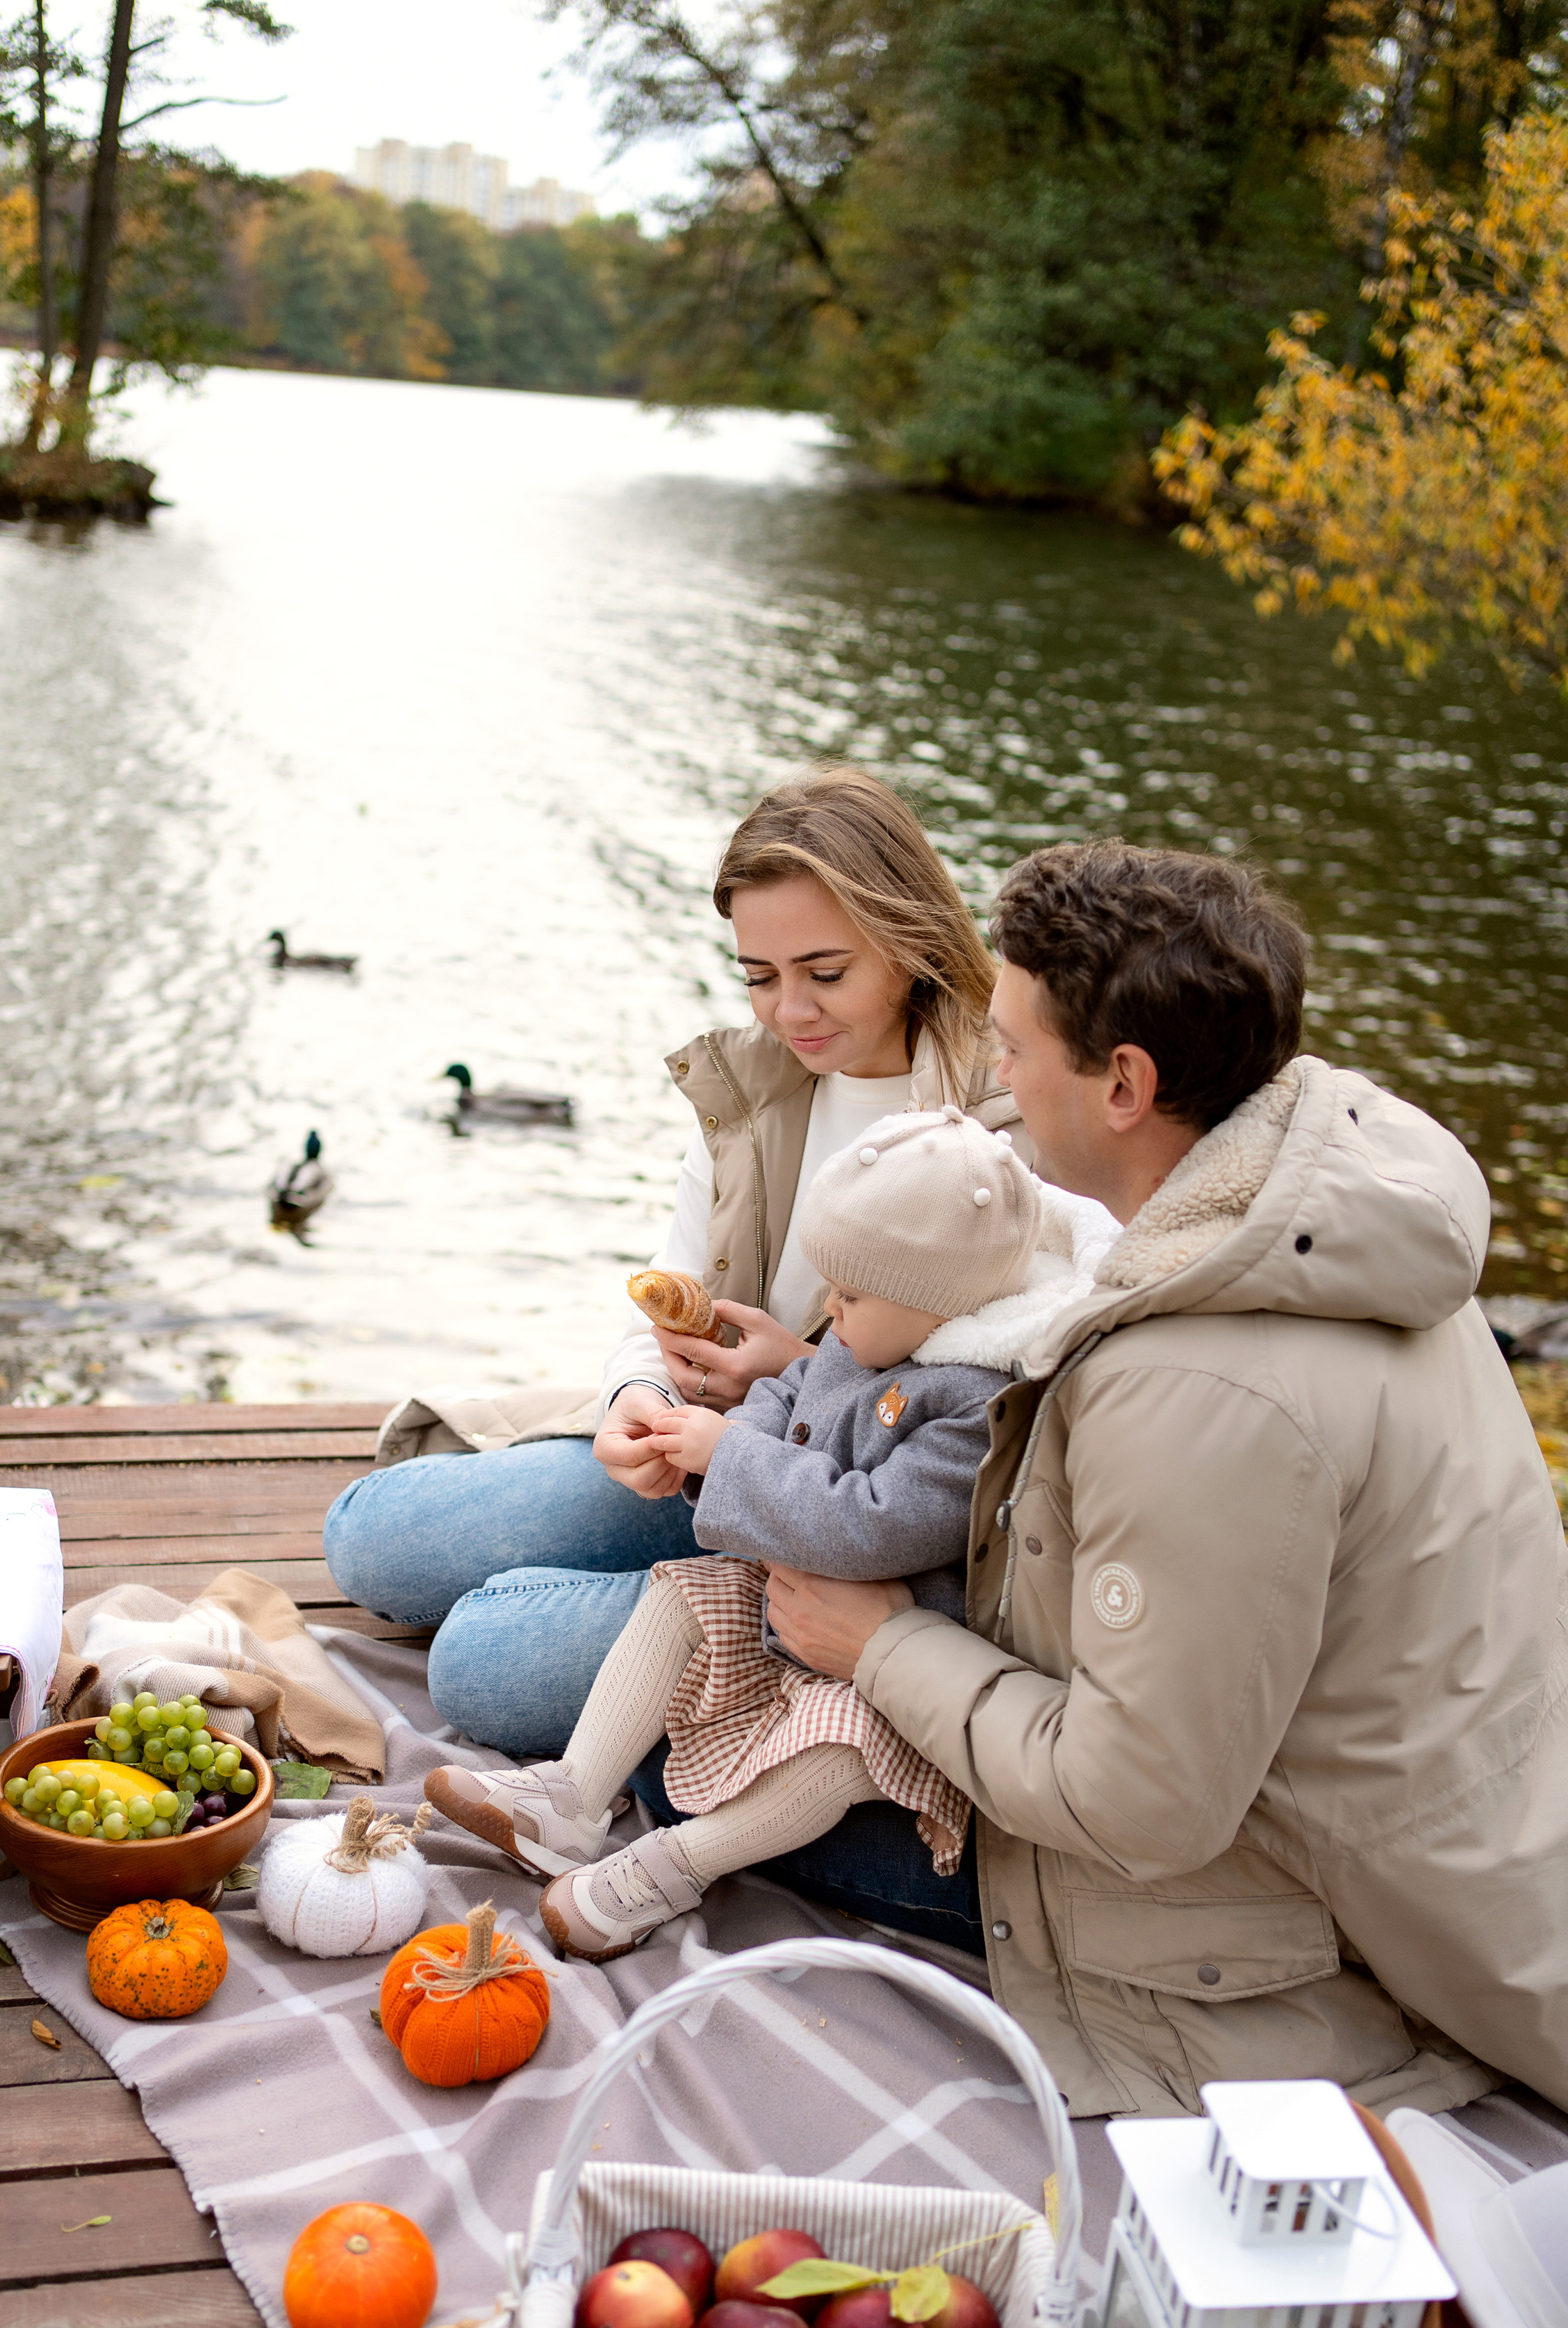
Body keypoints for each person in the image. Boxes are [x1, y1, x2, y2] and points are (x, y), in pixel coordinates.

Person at [759, 837, 1568, 2117]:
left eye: (1016, 1048)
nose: (999, 1083)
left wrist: (882, 1650)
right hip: (1442, 1803)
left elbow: (1138, 1806)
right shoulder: (1322, 1199)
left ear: (1127, 1083)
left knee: (610, 1702)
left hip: (1276, 1924)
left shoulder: (1200, 1386)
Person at [324, 767, 1021, 1947]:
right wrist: (639, 1398)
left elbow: (990, 1401)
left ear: (908, 939)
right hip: (718, 1462)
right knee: (369, 1537)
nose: (786, 1012)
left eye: (824, 974)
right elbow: (664, 1296)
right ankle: (648, 1678)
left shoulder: (997, 1124)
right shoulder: (755, 1092)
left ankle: (701, 1770)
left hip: (855, 1515)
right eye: (758, 974)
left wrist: (799, 1370)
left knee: (479, 1663)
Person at [426, 1110, 1116, 1958]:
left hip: (887, 1671)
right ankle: (571, 1798)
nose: (830, 1309)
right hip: (788, 1598)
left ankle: (670, 1869)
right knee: (682, 1594)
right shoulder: (869, 1337)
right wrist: (712, 1448)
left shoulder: (971, 1406)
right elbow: (789, 1394)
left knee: (835, 1755)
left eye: (849, 1296)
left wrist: (738, 1462)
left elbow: (873, 1526)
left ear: (937, 1305)